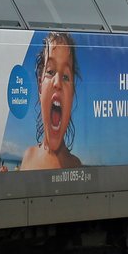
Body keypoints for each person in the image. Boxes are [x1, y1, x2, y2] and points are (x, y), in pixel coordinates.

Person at [20, 31, 82, 170]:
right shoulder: (28, 157)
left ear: (71, 95)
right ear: (40, 86)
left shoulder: (75, 166)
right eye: (50, 71)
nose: (57, 83)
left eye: (66, 77)